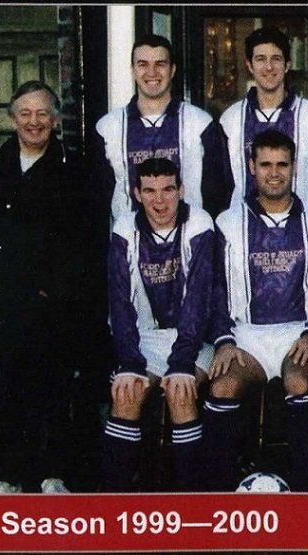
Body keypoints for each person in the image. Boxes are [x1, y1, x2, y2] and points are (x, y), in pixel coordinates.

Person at [0, 81, 98, 494]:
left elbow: (87, 241)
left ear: (56, 120)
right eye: (25, 113)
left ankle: (52, 475)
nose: (34, 122)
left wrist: (52, 292)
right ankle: (5, 477)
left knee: (51, 391)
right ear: (12, 119)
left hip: (50, 304)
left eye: (43, 113)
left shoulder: (75, 170)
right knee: (0, 393)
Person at [208, 129, 308, 492]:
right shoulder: (228, 223)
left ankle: (307, 490)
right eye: (265, 165)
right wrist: (224, 341)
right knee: (223, 385)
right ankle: (221, 491)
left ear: (294, 167)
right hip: (247, 335)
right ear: (251, 167)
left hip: (298, 332)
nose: (274, 173)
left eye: (282, 164)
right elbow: (216, 290)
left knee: (299, 381)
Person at [102, 158, 216, 492]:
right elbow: (119, 302)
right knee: (127, 393)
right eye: (150, 191)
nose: (160, 200)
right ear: (137, 194)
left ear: (181, 190)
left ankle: (188, 498)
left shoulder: (199, 223)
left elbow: (198, 301)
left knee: (181, 393)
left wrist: (182, 362)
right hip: (145, 338)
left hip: (194, 339)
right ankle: (115, 499)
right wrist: (129, 361)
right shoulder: (125, 227)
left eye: (168, 189)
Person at [93, 34, 232, 220]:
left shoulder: (200, 123)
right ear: (133, 70)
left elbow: (217, 191)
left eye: (160, 64)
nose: (152, 72)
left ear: (172, 70)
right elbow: (101, 195)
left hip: (189, 235)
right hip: (130, 236)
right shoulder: (108, 128)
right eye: (143, 64)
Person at [220, 27, 308, 214]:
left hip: (304, 228)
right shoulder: (230, 121)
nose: (269, 67)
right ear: (249, 65)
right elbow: (222, 189)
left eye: (276, 59)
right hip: (245, 228)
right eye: (261, 59)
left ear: (287, 65)